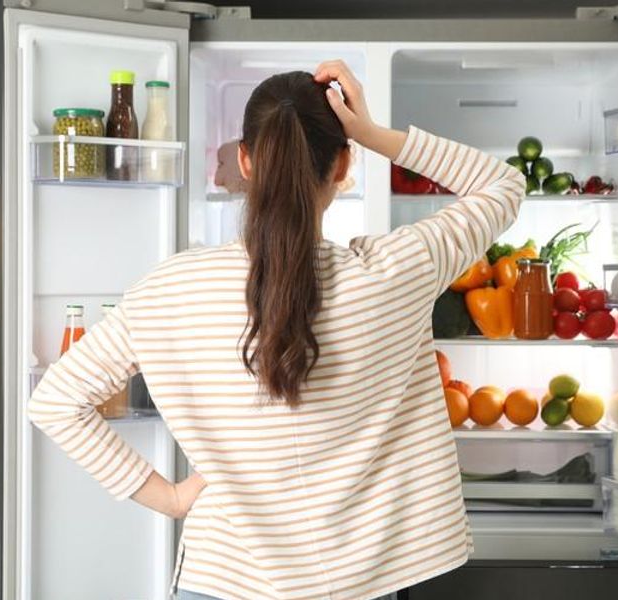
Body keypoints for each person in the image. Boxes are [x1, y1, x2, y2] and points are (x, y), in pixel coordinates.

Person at [28, 60, 526, 600]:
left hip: (222, 582)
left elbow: (55, 402)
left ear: (245, 160)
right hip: (361, 582)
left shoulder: (169, 288)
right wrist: (370, 131)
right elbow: (501, 183)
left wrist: (171, 499)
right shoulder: (397, 271)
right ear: (342, 165)